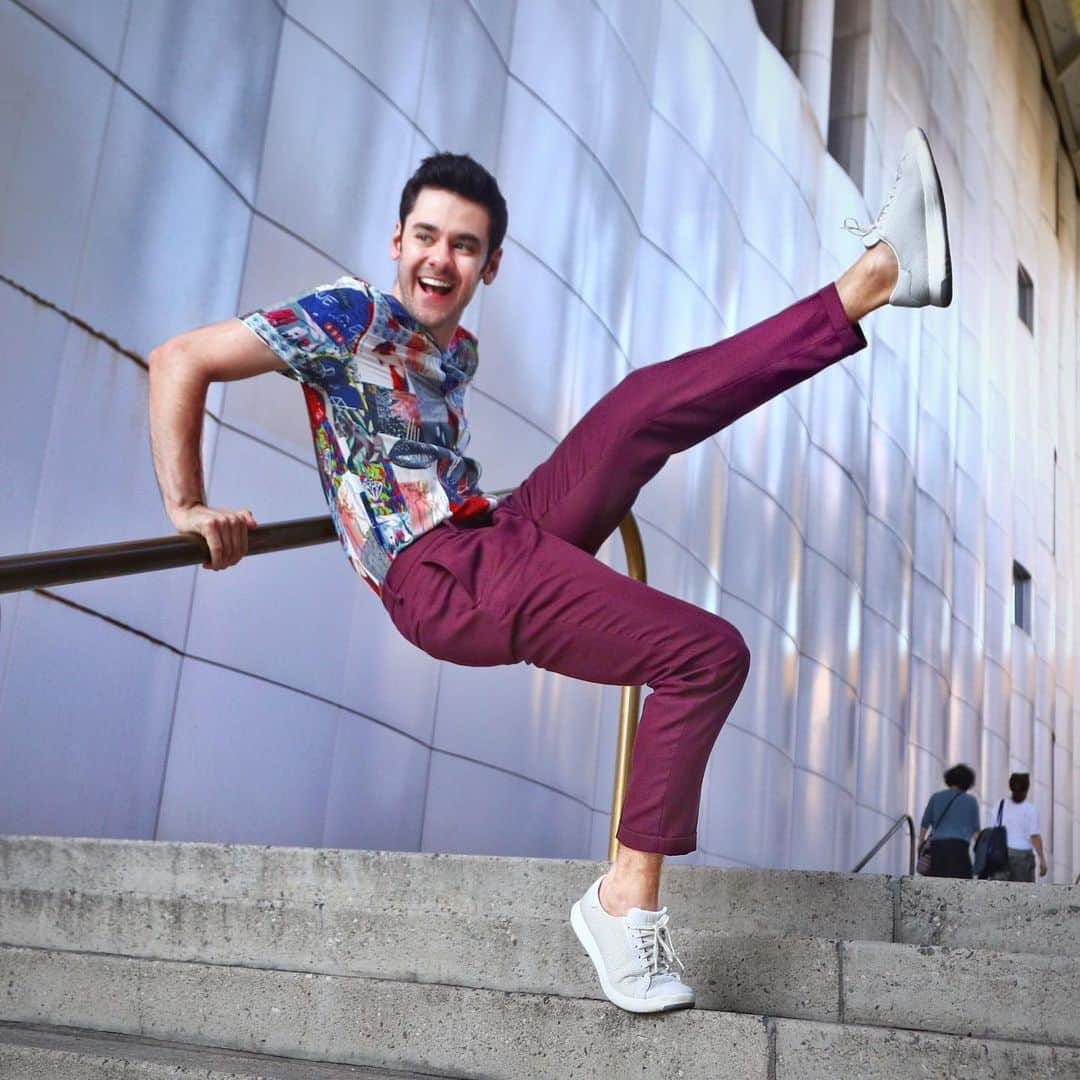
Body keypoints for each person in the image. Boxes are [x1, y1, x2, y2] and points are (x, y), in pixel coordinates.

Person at [148, 127, 952, 1014]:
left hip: (494, 529)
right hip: (445, 575)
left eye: (463, 245)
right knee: (705, 654)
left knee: (643, 405)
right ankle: (623, 904)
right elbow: (180, 359)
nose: (438, 260)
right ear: (396, 243)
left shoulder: (457, 356)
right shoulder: (350, 316)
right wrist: (190, 506)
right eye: (424, 237)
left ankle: (874, 283)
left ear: (488, 266)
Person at [917, 764, 980, 878]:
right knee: (960, 885)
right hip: (959, 848)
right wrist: (981, 850)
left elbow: (925, 823)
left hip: (938, 848)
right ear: (968, 782)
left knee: (937, 883)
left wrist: (921, 843)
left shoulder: (936, 797)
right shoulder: (971, 801)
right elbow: (976, 831)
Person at [988, 772, 1048, 882]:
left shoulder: (999, 806)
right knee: (1023, 895)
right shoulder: (1030, 810)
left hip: (1002, 856)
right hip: (1023, 857)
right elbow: (1034, 836)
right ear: (1027, 789)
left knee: (1000, 894)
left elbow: (991, 831)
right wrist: (1042, 860)